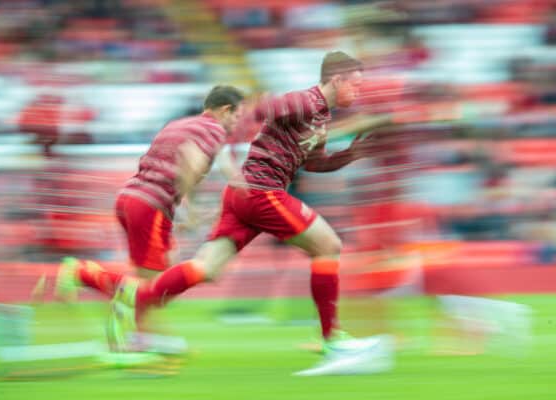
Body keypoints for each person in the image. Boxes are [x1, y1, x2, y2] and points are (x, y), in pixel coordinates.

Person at [111, 51, 406, 375]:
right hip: (262, 190)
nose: (358, 92)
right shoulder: (306, 102)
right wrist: (263, 109)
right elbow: (267, 109)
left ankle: (135, 298)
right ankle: (331, 340)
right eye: (355, 85)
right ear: (336, 80)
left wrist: (350, 155)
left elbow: (314, 163)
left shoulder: (320, 116)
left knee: (206, 268)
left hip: (243, 195)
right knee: (329, 245)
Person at [48, 85, 245, 351]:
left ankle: (133, 331)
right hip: (150, 206)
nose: (237, 123)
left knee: (162, 280)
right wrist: (194, 210)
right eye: (237, 116)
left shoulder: (180, 124)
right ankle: (82, 274)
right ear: (224, 110)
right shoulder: (214, 130)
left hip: (132, 199)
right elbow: (192, 162)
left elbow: (188, 164)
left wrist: (184, 210)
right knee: (152, 287)